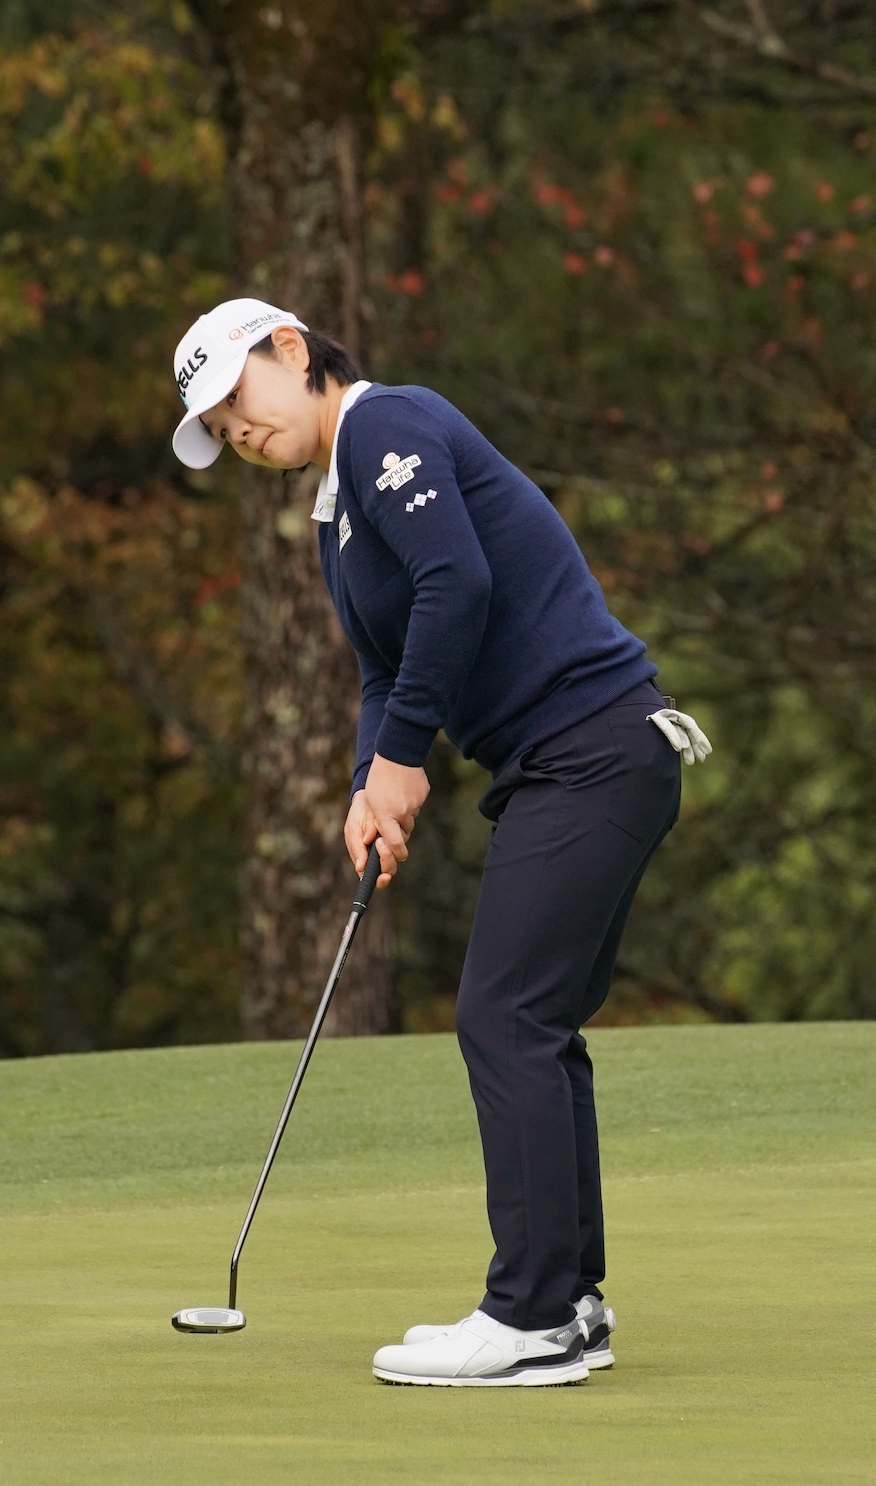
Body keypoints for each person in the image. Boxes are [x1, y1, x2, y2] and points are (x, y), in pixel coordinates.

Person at [170, 296, 712, 1388]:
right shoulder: (336, 516)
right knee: (535, 1023)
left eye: (238, 398)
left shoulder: (388, 422)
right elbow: (385, 665)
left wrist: (407, 756)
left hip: (591, 747)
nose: (240, 432)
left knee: (504, 1016)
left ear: (292, 350)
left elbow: (456, 582)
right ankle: (568, 1304)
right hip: (576, 761)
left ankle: (528, 1316)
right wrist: (371, 783)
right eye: (220, 429)